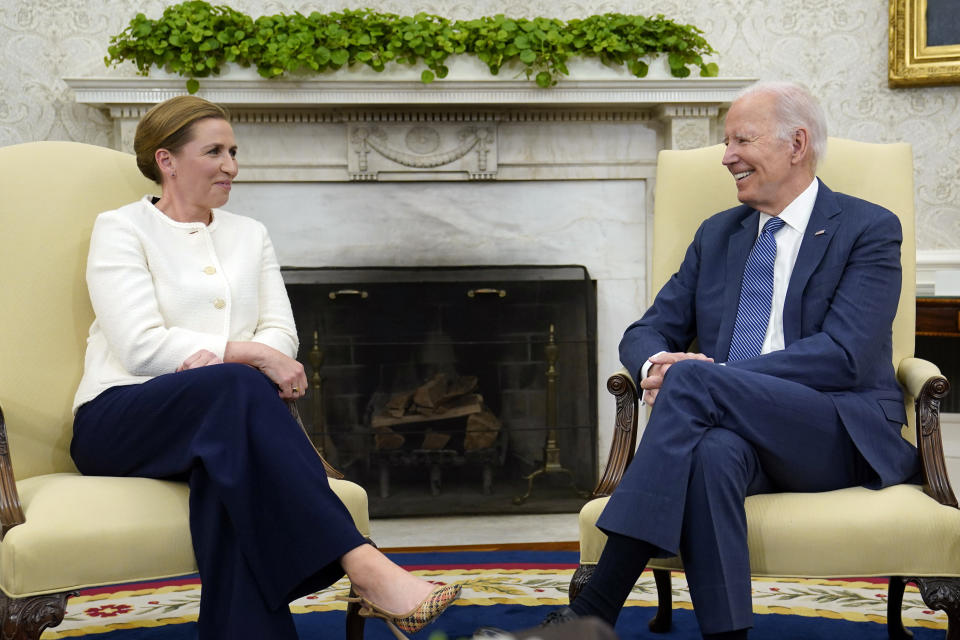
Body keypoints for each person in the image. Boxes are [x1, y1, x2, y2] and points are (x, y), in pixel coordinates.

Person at [70, 95, 460, 640]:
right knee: (234, 386)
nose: (232, 165)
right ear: (167, 160)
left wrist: (251, 358)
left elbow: (282, 331)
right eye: (215, 151)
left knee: (228, 475)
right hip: (120, 420)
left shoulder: (249, 234)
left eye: (234, 150)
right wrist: (250, 355)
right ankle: (364, 564)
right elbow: (140, 346)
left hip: (221, 422)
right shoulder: (121, 229)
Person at [541, 81, 920, 638]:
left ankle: (593, 610)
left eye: (742, 140)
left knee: (696, 381)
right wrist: (655, 368)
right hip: (734, 427)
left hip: (837, 429)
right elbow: (648, 330)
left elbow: (845, 355)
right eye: (725, 142)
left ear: (796, 143)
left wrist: (710, 377)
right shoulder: (718, 235)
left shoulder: (868, 228)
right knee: (714, 452)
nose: (726, 157)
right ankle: (728, 634)